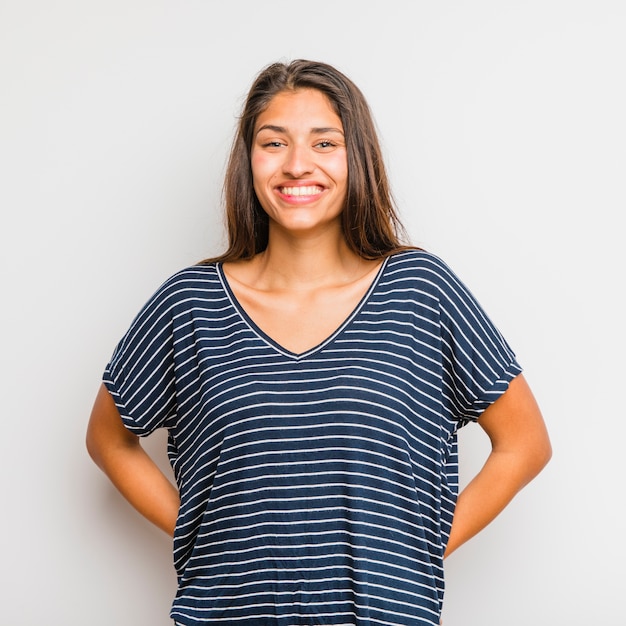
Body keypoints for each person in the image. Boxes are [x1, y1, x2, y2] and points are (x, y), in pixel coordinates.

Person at [86, 59, 552, 626]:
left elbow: (526, 443)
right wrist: (200, 532)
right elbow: (109, 440)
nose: (297, 164)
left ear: (357, 158)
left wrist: (418, 551)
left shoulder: (421, 291)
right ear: (248, 161)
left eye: (324, 142)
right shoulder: (190, 304)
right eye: (273, 142)